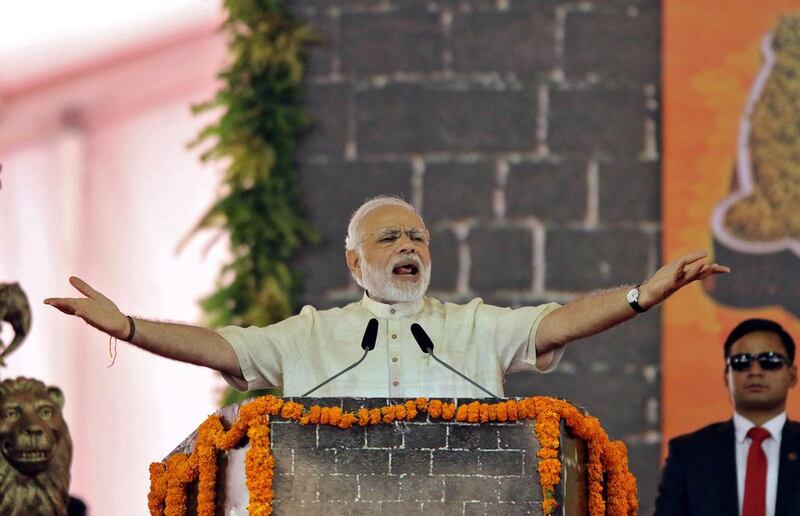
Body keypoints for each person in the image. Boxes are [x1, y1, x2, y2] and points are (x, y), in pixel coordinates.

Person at [45, 196, 729, 397]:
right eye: (390, 238)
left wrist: (642, 293)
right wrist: (129, 326)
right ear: (354, 261)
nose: (409, 247)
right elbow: (219, 346)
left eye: (418, 238)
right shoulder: (311, 336)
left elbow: (558, 323)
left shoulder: (473, 329)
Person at [655, 318, 800, 516]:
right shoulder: (689, 453)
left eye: (769, 360)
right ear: (727, 376)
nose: (755, 371)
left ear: (792, 375)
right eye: (741, 362)